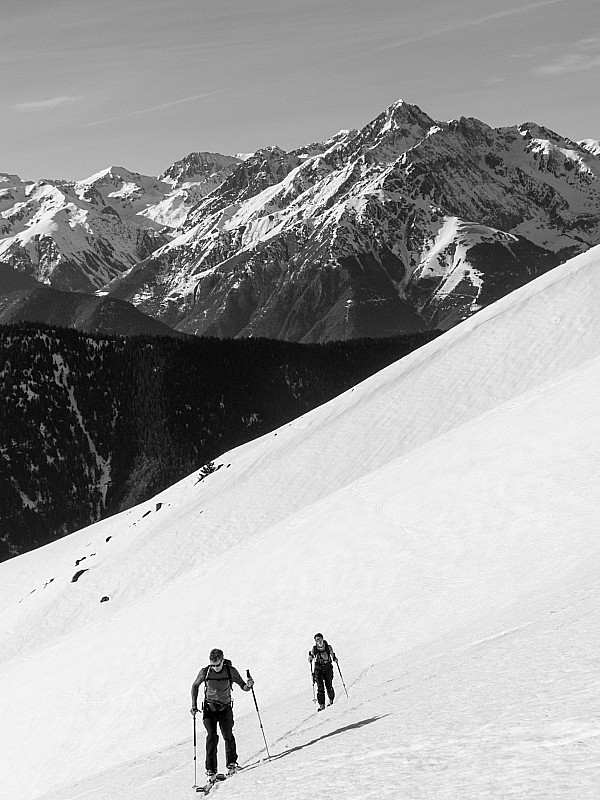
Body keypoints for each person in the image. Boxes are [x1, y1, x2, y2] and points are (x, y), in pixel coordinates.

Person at [190, 648, 254, 778]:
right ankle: (211, 770)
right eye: (213, 665)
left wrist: (249, 685)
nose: (215, 668)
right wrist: (194, 705)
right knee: (212, 737)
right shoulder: (205, 672)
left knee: (228, 735)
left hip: (225, 708)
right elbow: (195, 685)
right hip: (209, 708)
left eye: (218, 665)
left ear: (222, 660)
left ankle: (231, 763)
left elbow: (243, 686)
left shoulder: (230, 671)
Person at [308, 632, 337, 710]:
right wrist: (310, 658)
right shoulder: (314, 649)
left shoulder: (328, 647)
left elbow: (332, 654)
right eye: (317, 640)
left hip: (327, 668)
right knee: (320, 687)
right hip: (318, 669)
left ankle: (331, 699)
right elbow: (312, 656)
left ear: (322, 639)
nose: (319, 641)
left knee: (329, 686)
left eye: (320, 639)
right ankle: (322, 704)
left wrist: (335, 659)